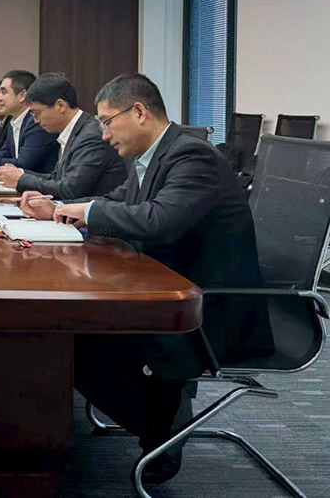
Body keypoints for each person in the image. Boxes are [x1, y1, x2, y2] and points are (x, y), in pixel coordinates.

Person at [21, 73, 272, 483]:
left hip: (211, 306)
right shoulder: (155, 154)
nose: (103, 135)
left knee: (72, 338)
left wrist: (84, 212)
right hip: (171, 285)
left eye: (107, 122)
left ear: (138, 112)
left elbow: (160, 220)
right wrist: (60, 208)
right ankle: (159, 410)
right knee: (71, 334)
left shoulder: (192, 156)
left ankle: (164, 425)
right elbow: (119, 200)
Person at [0, 73, 126, 198]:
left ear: (60, 105)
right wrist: (20, 174)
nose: (36, 121)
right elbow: (57, 178)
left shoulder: (90, 136)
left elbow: (70, 189)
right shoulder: (74, 130)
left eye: (37, 113)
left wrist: (21, 179)